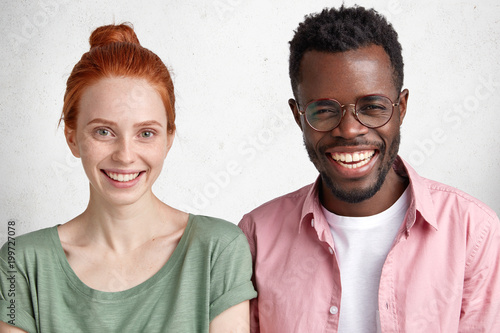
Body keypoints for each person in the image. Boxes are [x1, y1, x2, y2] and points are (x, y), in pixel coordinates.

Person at [239, 5, 500, 332]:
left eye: (372, 107)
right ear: (298, 116)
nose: (349, 130)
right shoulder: (256, 236)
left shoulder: (472, 231)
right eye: (323, 111)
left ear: (400, 108)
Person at [0, 23, 256, 332]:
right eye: (103, 131)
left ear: (169, 138)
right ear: (72, 137)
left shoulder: (218, 249)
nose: (125, 155)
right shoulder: (21, 264)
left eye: (146, 133)